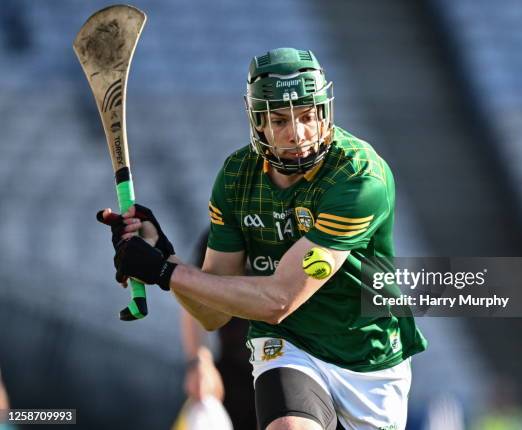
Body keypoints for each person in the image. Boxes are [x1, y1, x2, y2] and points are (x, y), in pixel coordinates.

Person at [99, 47, 427, 430]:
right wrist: (165, 257)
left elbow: (280, 300)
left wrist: (165, 271)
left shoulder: (358, 177)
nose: (298, 134)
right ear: (258, 123)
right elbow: (212, 313)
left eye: (307, 116)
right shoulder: (237, 177)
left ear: (324, 112)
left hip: (367, 357)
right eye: (280, 120)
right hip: (288, 345)